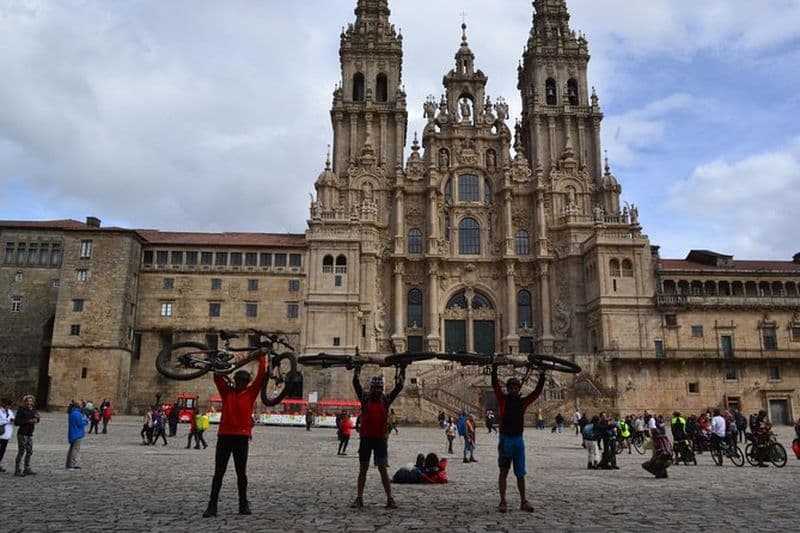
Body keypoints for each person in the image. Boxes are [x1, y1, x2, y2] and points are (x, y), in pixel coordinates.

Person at [203, 354, 267, 518]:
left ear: (246, 383)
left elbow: (260, 376)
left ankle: (243, 503)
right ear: (235, 381)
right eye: (238, 381)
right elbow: (217, 377)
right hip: (225, 436)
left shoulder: (250, 393)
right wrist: (222, 362)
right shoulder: (227, 392)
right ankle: (212, 505)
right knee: (219, 472)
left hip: (241, 437)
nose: (240, 384)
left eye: (243, 382)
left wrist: (262, 357)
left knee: (241, 473)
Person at [492, 364, 546, 513]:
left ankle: (523, 500)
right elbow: (495, 385)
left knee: (520, 473)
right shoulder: (503, 400)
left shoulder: (522, 402)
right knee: (503, 471)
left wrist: (542, 375)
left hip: (518, 441)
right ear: (508, 389)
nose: (514, 389)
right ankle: (502, 500)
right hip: (506, 440)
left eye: (516, 387)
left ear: (518, 389)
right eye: (511, 387)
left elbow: (536, 393)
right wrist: (495, 367)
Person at [350, 365, 405, 510]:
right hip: (366, 439)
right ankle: (359, 498)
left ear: (381, 389)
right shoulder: (365, 398)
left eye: (379, 388)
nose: (377, 391)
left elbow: (398, 388)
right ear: (371, 388)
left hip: (380, 440)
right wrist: (357, 370)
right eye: (375, 388)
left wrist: (402, 370)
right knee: (363, 469)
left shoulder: (386, 400)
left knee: (383, 470)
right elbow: (356, 384)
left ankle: (390, 498)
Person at [14, 394, 40, 476]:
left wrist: (37, 419)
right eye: (28, 401)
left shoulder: (33, 410)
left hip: (29, 434)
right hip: (22, 433)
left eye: (31, 401)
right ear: (24, 402)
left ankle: (27, 468)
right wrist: (28, 421)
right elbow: (16, 422)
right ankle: (17, 469)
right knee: (21, 451)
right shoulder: (21, 410)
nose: (29, 402)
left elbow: (37, 417)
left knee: (29, 451)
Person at [66, 400, 88, 469]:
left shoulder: (72, 412)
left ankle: (69, 464)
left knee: (72, 449)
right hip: (77, 433)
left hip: (73, 433)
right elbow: (80, 423)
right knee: (75, 450)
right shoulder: (77, 413)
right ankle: (72, 464)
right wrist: (86, 421)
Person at [0, 397, 15, 472]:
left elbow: (12, 419)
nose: (8, 406)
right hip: (0, 432)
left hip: (6, 434)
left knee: (2, 450)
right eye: (6, 404)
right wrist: (7, 421)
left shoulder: (10, 412)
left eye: (9, 405)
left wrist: (12, 420)